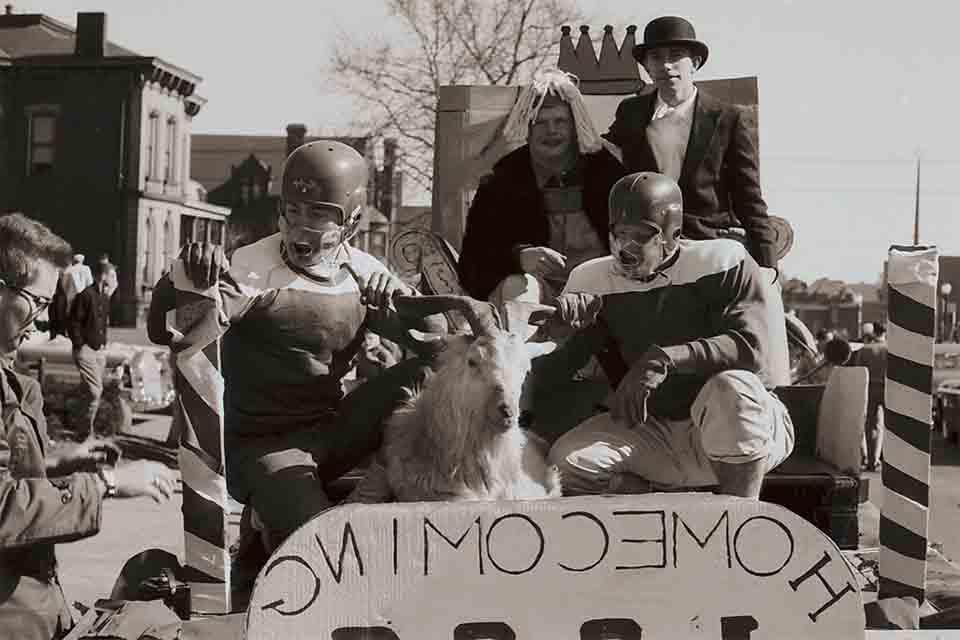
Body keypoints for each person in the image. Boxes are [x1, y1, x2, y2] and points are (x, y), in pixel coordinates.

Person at [147, 140, 446, 551]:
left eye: (320, 213)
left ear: (351, 223)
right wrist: (182, 279)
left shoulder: (364, 272)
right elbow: (165, 331)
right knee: (322, 542)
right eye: (293, 209)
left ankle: (399, 479)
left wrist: (408, 309)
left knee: (434, 375)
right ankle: (273, 514)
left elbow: (439, 348)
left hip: (331, 430)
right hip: (260, 442)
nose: (301, 224)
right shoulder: (249, 268)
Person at [540, 172, 794, 499]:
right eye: (619, 234)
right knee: (567, 465)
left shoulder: (721, 261)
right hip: (655, 429)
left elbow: (750, 348)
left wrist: (664, 359)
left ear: (673, 234)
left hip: (735, 427)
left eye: (641, 235)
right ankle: (657, 508)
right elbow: (555, 373)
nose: (625, 248)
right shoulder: (591, 279)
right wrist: (563, 331)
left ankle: (736, 522)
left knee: (733, 389)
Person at [0, 212, 176, 640]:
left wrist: (62, 459)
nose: (43, 319)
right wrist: (106, 484)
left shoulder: (12, 378)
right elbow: (4, 506)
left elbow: (13, 468)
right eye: (37, 302)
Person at [604, 16, 779, 277]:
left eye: (676, 56)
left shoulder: (727, 118)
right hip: (645, 251)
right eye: (655, 57)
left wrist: (768, 266)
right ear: (646, 67)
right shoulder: (631, 114)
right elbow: (604, 165)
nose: (666, 65)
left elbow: (749, 197)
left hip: (707, 246)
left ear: (695, 63)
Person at [457, 69, 627, 307]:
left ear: (575, 126)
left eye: (560, 121)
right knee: (518, 287)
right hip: (538, 301)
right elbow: (471, 264)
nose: (551, 131)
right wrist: (518, 259)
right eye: (540, 123)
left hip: (603, 292)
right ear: (527, 128)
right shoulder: (502, 180)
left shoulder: (608, 174)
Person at [67, 263, 116, 440]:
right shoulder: (85, 295)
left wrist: (103, 344)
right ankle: (85, 433)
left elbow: (103, 324)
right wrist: (80, 344)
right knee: (95, 391)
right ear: (103, 276)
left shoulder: (104, 297)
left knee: (87, 392)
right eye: (112, 275)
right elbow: (73, 322)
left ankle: (82, 429)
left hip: (99, 350)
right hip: (86, 349)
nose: (114, 279)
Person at [853, 324, 886, 471]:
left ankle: (872, 460)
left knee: (871, 425)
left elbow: (859, 371)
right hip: (887, 389)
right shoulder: (891, 349)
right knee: (888, 427)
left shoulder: (864, 350)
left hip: (870, 389)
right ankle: (890, 461)